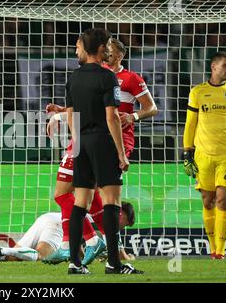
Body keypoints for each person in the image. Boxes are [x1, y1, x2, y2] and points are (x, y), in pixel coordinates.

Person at [44, 37, 157, 266]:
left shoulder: (130, 79)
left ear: (120, 55)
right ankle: (99, 248)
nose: (108, 53)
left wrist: (133, 116)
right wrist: (60, 112)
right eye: (106, 49)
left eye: (112, 50)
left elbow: (151, 108)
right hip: (88, 138)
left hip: (113, 140)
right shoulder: (95, 75)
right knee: (76, 195)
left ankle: (86, 251)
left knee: (96, 198)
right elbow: (87, 108)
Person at [66, 27, 142, 275]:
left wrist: (77, 142)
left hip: (80, 143)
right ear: (100, 49)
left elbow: (70, 114)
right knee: (111, 202)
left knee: (80, 203)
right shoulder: (108, 77)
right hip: (102, 141)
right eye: (108, 46)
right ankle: (114, 263)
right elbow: (112, 118)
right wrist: (120, 153)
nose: (110, 50)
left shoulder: (73, 77)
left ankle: (74, 263)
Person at [183, 51, 226, 260]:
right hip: (203, 154)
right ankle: (213, 247)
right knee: (207, 200)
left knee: (223, 199)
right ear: (213, 67)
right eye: (224, 66)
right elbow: (190, 123)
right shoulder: (197, 92)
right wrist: (187, 152)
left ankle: (220, 252)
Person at [0, 202, 136, 263]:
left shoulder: (100, 207)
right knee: (42, 256)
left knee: (14, 256)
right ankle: (1, 249)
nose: (123, 228)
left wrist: (82, 257)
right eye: (126, 224)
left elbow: (78, 233)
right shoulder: (110, 217)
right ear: (121, 213)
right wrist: (129, 258)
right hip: (58, 224)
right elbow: (120, 255)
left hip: (49, 217)